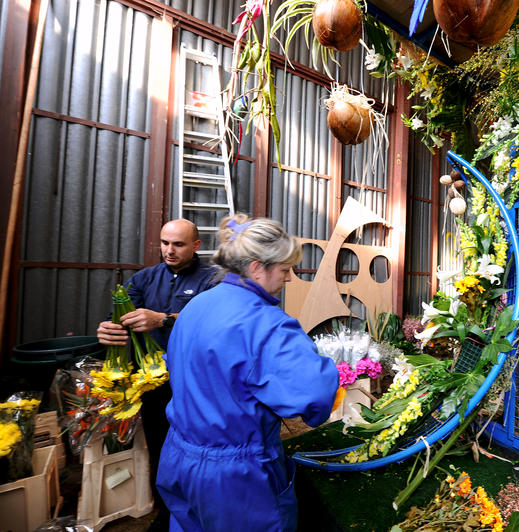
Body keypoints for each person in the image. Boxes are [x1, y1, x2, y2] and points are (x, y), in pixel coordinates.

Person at [156, 214, 340, 532]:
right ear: (257, 267)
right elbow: (315, 396)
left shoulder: (194, 308)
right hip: (236, 479)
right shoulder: (265, 323)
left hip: (179, 458)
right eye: (285, 269)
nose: (290, 278)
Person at [96, 218, 217, 531]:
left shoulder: (213, 280)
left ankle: (202, 512)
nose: (169, 251)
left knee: (198, 448)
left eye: (178, 244)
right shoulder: (144, 279)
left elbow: (213, 325)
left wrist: (163, 319)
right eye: (165, 243)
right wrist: (109, 331)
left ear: (196, 246)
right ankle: (168, 515)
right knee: (161, 448)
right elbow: (120, 321)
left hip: (194, 383)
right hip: (153, 383)